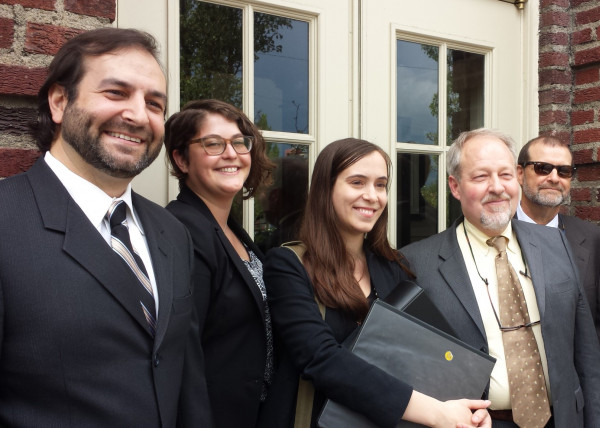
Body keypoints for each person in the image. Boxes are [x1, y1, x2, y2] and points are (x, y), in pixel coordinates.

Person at [0, 28, 210, 426]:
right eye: (116, 93)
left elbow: (187, 381)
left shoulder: (171, 232)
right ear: (60, 102)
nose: (136, 115)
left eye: (154, 103)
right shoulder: (5, 220)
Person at [262, 138, 492, 428]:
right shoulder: (288, 265)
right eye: (357, 182)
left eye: (380, 184)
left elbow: (422, 358)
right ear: (325, 189)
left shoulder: (394, 268)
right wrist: (436, 413)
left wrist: (466, 408)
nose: (372, 195)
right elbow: (320, 358)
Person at [402, 128, 600, 428]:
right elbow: (411, 368)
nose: (497, 188)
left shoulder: (555, 244)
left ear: (516, 177)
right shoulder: (417, 264)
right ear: (455, 186)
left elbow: (587, 357)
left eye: (504, 175)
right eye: (480, 177)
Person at [164, 99, 276, 426]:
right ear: (181, 159)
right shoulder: (182, 232)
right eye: (213, 144)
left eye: (240, 142)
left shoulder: (232, 230)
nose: (232, 153)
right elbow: (182, 357)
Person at [515, 136, 600, 417]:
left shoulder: (595, 241)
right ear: (518, 173)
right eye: (542, 168)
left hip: (572, 406)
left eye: (563, 171)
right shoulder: (496, 233)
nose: (554, 178)